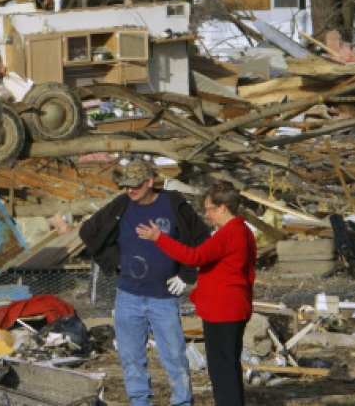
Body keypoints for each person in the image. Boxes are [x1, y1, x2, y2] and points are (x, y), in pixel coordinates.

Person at [79, 159, 210, 406]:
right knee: (131, 358)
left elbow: (201, 241)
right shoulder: (122, 205)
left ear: (150, 182)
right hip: (128, 295)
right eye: (127, 185)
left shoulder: (174, 205)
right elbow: (89, 232)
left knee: (174, 358)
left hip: (164, 297)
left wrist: (186, 275)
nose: (130, 190)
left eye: (136, 185)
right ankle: (140, 402)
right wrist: (116, 260)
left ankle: (182, 402)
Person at [136, 179, 257, 406]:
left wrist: (159, 238)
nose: (208, 215)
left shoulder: (228, 234)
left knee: (222, 371)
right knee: (228, 367)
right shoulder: (244, 232)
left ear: (222, 207)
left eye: (210, 209)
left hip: (222, 310)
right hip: (234, 307)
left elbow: (195, 257)